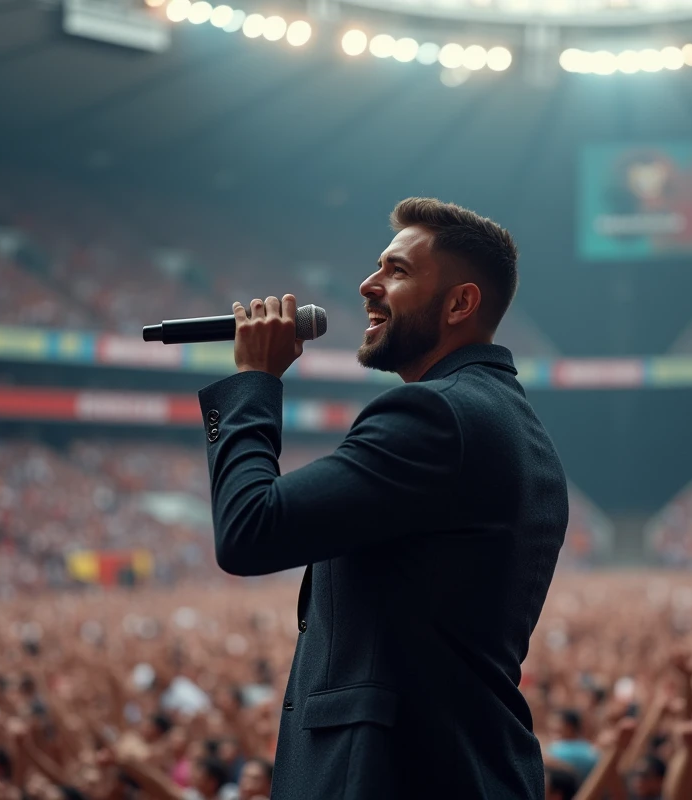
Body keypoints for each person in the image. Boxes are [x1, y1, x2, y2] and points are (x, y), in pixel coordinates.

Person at [197, 198, 569, 799]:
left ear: (460, 303)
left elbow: (249, 529)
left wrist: (255, 383)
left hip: (393, 776)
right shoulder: (516, 428)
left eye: (396, 271)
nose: (368, 285)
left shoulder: (435, 415)